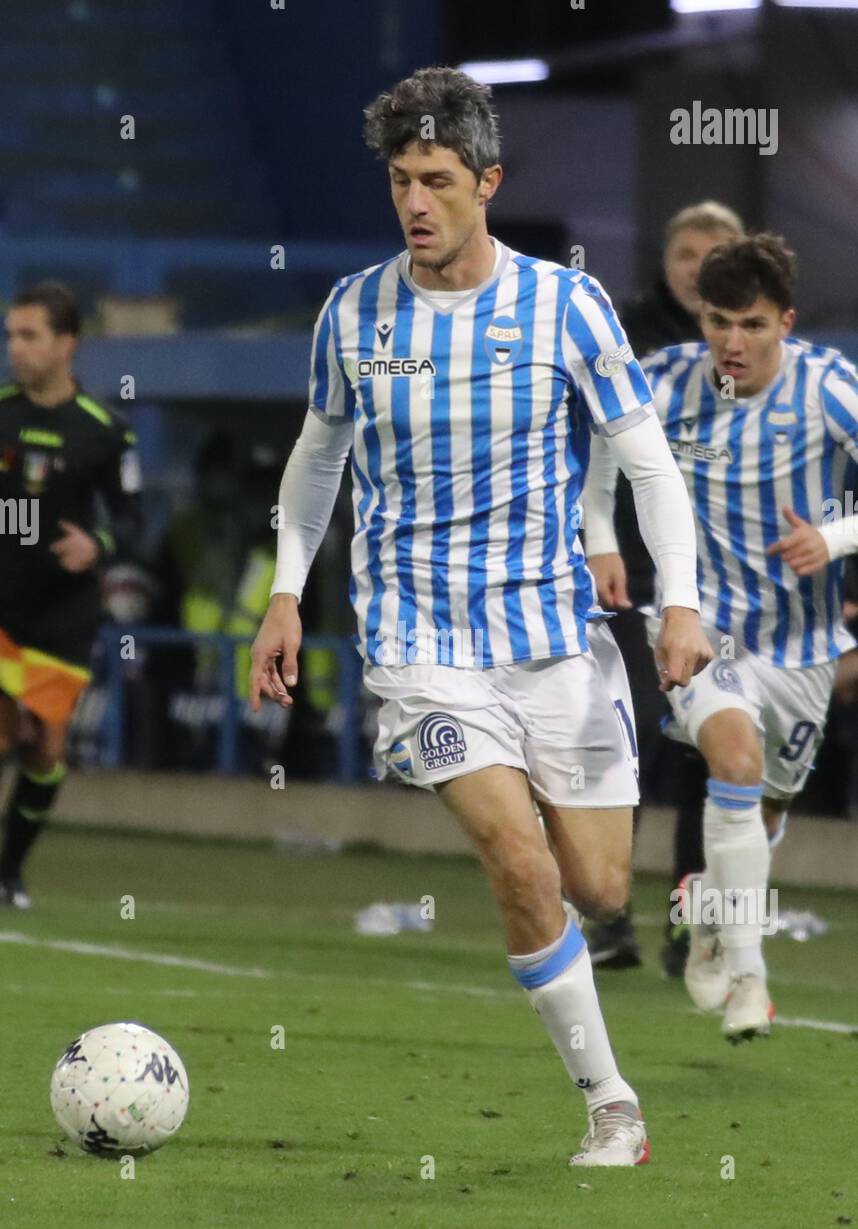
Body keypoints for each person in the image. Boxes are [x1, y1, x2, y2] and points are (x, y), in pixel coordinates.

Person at [250, 67, 710, 1166]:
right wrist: (284, 592)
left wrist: (680, 604)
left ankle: (584, 949)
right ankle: (611, 1103)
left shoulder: (565, 305)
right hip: (420, 648)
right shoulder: (355, 311)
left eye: (440, 181)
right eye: (403, 179)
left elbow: (648, 461)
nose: (416, 202)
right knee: (518, 859)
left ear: (487, 181)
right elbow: (320, 457)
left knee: (598, 885)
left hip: (557, 641)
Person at [583, 234, 858, 1042]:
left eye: (753, 325)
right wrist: (601, 538)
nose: (733, 343)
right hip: (700, 626)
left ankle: (709, 916)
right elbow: (602, 466)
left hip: (802, 646)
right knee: (732, 763)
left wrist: (834, 541)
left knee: (765, 814)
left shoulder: (828, 390)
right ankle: (749, 978)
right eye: (717, 323)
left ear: (786, 323)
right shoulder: (663, 382)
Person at [589, 201, 745, 973]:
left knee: (709, 760)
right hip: (629, 580)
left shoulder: (754, 346)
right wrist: (599, 539)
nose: (697, 264)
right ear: (667, 260)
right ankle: (607, 914)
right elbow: (589, 445)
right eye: (686, 250)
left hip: (722, 587)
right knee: (631, 741)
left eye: (715, 250)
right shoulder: (622, 335)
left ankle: (692, 925)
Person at [0, 282, 142, 905]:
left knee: (44, 750)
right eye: (10, 335)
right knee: (3, 732)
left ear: (66, 344)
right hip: (1, 603)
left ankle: (9, 873)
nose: (15, 349)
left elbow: (133, 518)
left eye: (29, 336)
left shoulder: (106, 431)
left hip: (63, 614)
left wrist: (99, 546)